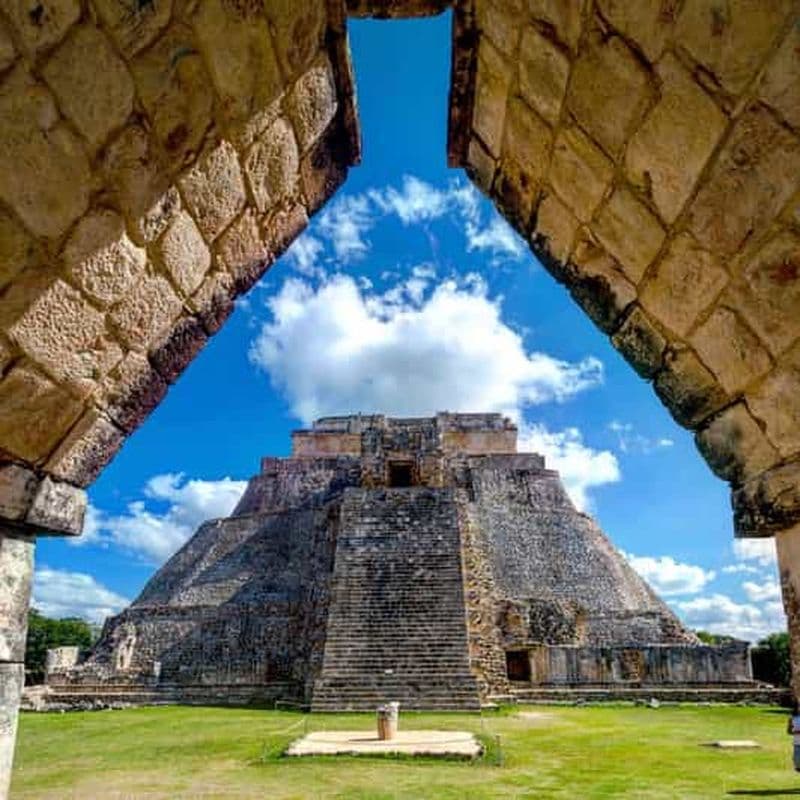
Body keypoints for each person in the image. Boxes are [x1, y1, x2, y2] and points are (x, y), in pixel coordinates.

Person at [787, 703, 800, 771]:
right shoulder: (792, 718)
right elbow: (789, 731)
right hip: (797, 742)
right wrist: (796, 732)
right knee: (797, 763)